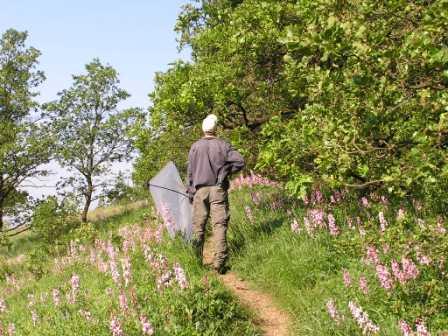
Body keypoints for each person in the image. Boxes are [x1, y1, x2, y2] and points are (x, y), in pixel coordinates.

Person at [187, 114, 245, 273]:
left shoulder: (195, 147)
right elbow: (240, 161)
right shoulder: (223, 145)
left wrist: (191, 192)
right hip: (218, 190)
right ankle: (219, 263)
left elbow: (190, 172)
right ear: (216, 128)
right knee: (219, 225)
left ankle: (195, 260)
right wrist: (226, 172)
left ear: (203, 130)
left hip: (200, 191)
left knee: (198, 227)